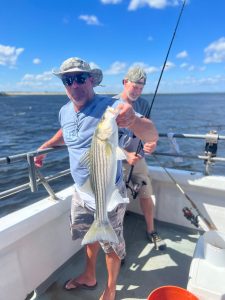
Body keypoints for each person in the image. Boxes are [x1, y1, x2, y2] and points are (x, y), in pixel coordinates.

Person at [34, 57, 158, 300]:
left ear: (91, 80)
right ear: (64, 84)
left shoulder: (112, 107)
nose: (75, 85)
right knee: (89, 237)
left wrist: (133, 120)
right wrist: (46, 146)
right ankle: (89, 276)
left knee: (111, 245)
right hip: (81, 191)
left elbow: (151, 133)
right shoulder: (64, 111)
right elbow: (67, 133)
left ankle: (110, 290)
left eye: (81, 78)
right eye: (68, 80)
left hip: (109, 192)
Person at [115, 66, 166, 250]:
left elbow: (148, 131)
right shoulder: (111, 105)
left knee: (146, 194)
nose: (137, 91)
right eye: (134, 86)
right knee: (117, 204)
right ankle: (118, 244)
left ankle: (151, 230)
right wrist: (126, 154)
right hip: (117, 164)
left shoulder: (144, 104)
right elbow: (104, 139)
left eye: (141, 87)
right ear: (124, 82)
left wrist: (151, 144)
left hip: (139, 160)